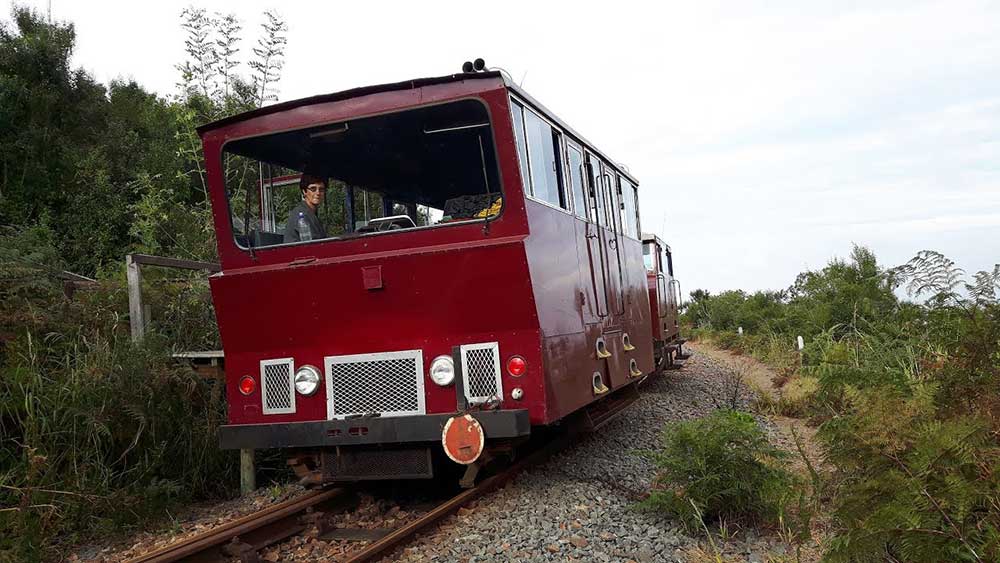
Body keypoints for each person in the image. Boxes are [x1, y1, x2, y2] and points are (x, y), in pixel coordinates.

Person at [284, 174, 329, 243]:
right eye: (313, 189)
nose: (318, 193)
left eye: (321, 189)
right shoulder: (301, 215)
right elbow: (314, 245)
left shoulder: (312, 213)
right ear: (304, 191)